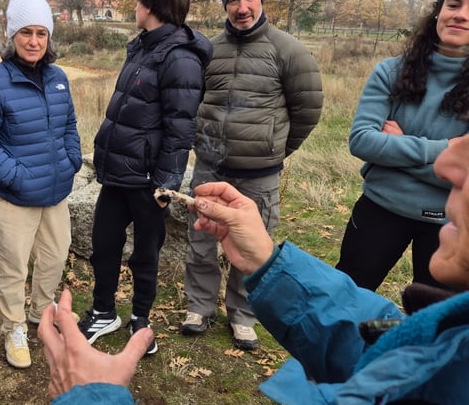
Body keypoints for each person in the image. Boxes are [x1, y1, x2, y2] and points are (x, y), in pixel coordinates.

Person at [41, 134, 469, 404]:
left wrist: (93, 397)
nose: (446, 162)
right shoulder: (452, 345)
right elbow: (392, 354)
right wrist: (268, 263)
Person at [181, 0, 323, 350]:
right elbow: (193, 101)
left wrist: (274, 150)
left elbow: (307, 111)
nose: (242, 7)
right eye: (234, 0)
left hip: (259, 175)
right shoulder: (208, 49)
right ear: (225, 4)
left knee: (252, 245)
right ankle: (199, 305)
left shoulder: (289, 51)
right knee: (201, 242)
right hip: (210, 166)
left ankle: (243, 314)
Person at [77, 0, 212, 356]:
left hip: (149, 181)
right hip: (119, 173)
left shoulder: (180, 59)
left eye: (137, 1)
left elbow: (180, 128)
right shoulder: (143, 47)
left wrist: (166, 184)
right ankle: (104, 311)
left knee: (145, 255)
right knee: (104, 245)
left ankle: (140, 320)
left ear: (151, 6)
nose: (134, 7)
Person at [0, 0, 82, 369]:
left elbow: (69, 126)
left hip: (56, 190)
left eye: (41, 33)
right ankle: (14, 327)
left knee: (54, 256)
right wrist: (16, 175)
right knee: (13, 266)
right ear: (11, 34)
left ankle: (40, 314)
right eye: (26, 32)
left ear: (49, 37)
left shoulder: (59, 78)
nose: (34, 41)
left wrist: (71, 161)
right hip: (13, 195)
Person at [335, 0, 469, 292]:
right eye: (454, 4)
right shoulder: (390, 72)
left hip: (449, 226)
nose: (461, 16)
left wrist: (398, 147)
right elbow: (362, 141)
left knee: (435, 324)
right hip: (380, 209)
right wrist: (446, 151)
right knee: (345, 301)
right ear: (439, 10)